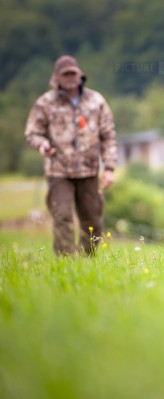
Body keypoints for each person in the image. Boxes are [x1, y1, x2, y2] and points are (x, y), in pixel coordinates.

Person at [25, 55, 118, 255]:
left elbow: (108, 135)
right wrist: (42, 145)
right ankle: (66, 263)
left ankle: (87, 260)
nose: (69, 77)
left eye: (72, 73)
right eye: (65, 74)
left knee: (93, 220)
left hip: (90, 170)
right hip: (59, 171)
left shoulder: (96, 100)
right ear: (56, 77)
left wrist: (109, 168)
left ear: (79, 74)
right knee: (62, 217)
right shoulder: (45, 103)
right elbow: (32, 133)